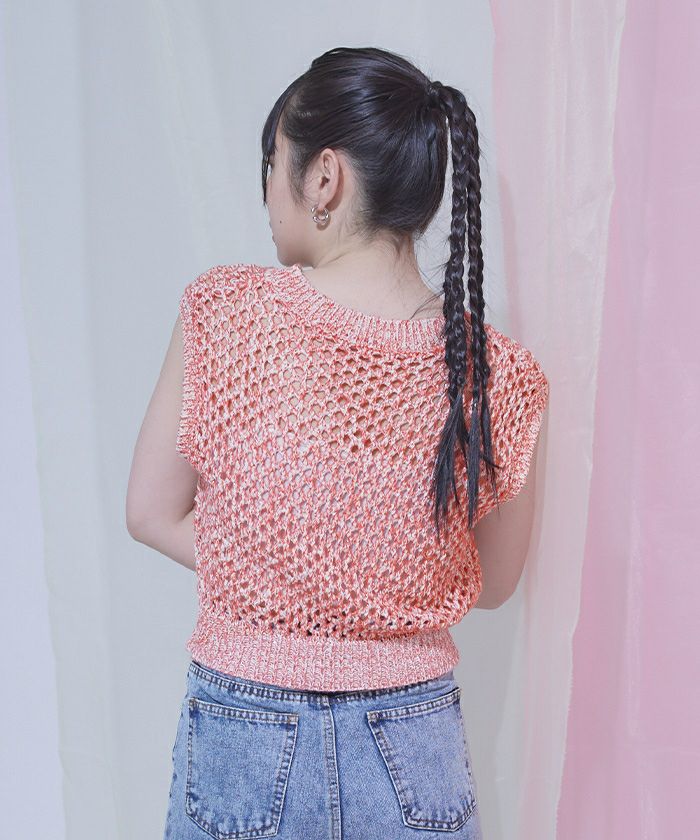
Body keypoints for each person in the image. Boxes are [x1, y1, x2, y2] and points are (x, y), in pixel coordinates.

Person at [127, 45, 549, 840]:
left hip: (244, 734)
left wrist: (282, 582)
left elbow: (150, 512)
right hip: (414, 740)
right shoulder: (498, 373)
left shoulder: (226, 312)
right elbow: (493, 583)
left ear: (323, 177)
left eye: (270, 163)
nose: (266, 190)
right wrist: (360, 592)